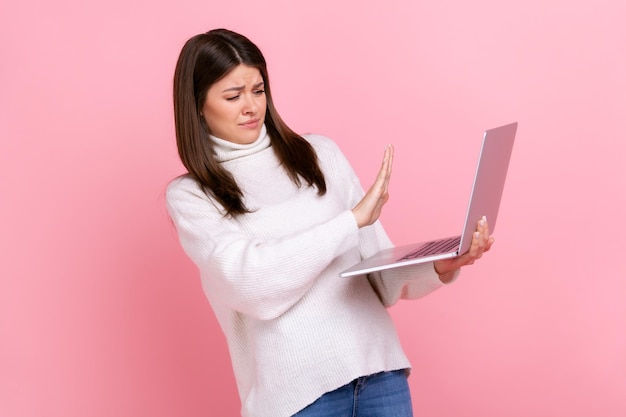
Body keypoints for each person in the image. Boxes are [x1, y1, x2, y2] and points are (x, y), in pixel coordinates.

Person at [166, 28, 494, 417]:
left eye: (258, 90)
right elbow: (251, 284)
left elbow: (378, 276)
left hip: (380, 375)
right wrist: (348, 223)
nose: (251, 106)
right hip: (298, 399)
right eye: (233, 96)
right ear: (198, 106)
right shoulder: (193, 195)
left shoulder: (320, 154)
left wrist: (441, 264)